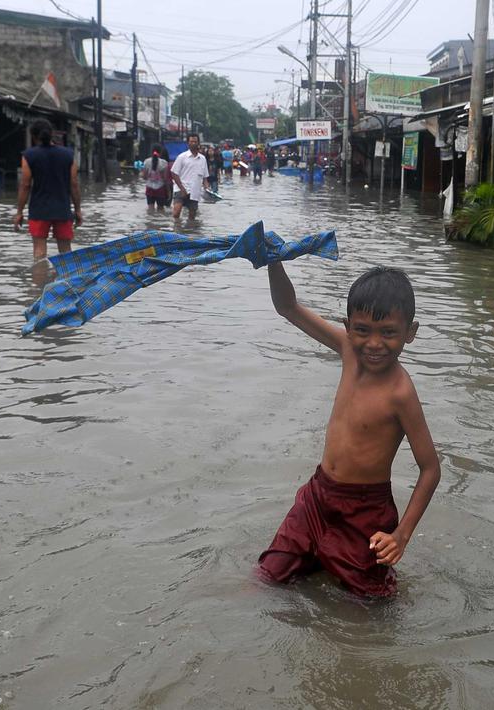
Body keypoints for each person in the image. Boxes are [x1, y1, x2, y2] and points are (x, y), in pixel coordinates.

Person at [256, 264, 441, 597]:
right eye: (362, 330)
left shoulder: (400, 392)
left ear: (409, 332)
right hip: (317, 497)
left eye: (388, 332)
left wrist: (401, 535)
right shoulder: (347, 350)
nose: (374, 343)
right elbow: (287, 307)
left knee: (368, 606)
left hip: (365, 512)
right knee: (268, 578)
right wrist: (273, 260)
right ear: (347, 327)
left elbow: (430, 469)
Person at [13, 118, 81, 258]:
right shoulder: (68, 155)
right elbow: (73, 184)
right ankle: (68, 279)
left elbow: (25, 185)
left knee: (39, 252)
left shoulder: (29, 156)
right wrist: (78, 209)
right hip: (62, 208)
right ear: (52, 134)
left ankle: (39, 279)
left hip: (39, 209)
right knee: (65, 251)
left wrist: (19, 212)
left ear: (33, 136)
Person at [170, 133, 210, 220]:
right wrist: (182, 188)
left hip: (195, 191)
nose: (193, 143)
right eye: (191, 142)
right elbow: (174, 173)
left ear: (198, 143)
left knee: (192, 217)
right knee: (176, 213)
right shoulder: (182, 157)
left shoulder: (203, 159)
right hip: (181, 189)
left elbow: (205, 177)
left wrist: (207, 188)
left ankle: (190, 232)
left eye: (195, 142)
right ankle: (176, 230)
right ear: (188, 143)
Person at [141, 146, 171, 212]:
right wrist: (168, 191)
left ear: (151, 152)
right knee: (160, 209)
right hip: (160, 189)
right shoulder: (164, 163)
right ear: (160, 153)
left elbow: (144, 177)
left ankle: (150, 221)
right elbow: (165, 179)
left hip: (149, 188)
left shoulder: (146, 162)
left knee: (150, 209)